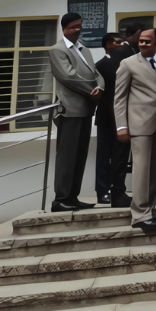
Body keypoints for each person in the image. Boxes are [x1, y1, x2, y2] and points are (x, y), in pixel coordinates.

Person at [114, 27, 156, 230]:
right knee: (141, 169)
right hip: (138, 123)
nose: (143, 44)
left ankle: (150, 209)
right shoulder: (128, 64)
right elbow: (119, 97)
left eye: (148, 41)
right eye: (141, 41)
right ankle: (139, 215)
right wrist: (122, 126)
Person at [48, 13, 102, 212]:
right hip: (70, 110)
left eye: (79, 26)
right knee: (67, 156)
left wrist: (101, 88)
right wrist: (91, 91)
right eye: (73, 27)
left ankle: (72, 197)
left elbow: (96, 73)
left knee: (80, 156)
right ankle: (60, 198)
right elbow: (68, 76)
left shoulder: (84, 50)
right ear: (64, 29)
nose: (77, 30)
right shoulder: (57, 50)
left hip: (86, 109)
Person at [105, 22, 144, 206]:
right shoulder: (123, 54)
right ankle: (117, 192)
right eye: (142, 35)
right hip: (122, 111)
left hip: (133, 111)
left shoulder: (132, 52)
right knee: (120, 154)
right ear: (135, 34)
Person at [94, 32, 123, 204]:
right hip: (105, 115)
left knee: (119, 155)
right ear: (108, 44)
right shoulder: (100, 65)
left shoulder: (125, 64)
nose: (122, 45)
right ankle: (102, 191)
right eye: (118, 42)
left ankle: (118, 188)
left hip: (121, 116)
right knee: (103, 155)